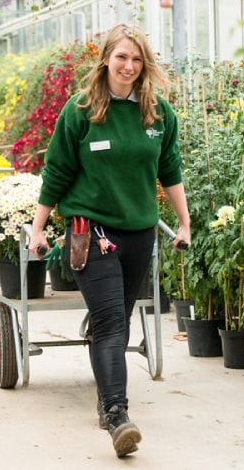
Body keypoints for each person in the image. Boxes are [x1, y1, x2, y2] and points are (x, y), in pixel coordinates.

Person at [27, 23, 191, 458]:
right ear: (106, 59)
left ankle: (101, 356)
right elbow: (57, 171)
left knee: (116, 318)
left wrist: (184, 223)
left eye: (137, 60)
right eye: (121, 57)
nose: (129, 66)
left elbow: (169, 171)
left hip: (139, 231)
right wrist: (39, 228)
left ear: (145, 65)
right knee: (114, 324)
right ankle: (117, 414)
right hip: (89, 229)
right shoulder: (80, 111)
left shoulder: (159, 115)